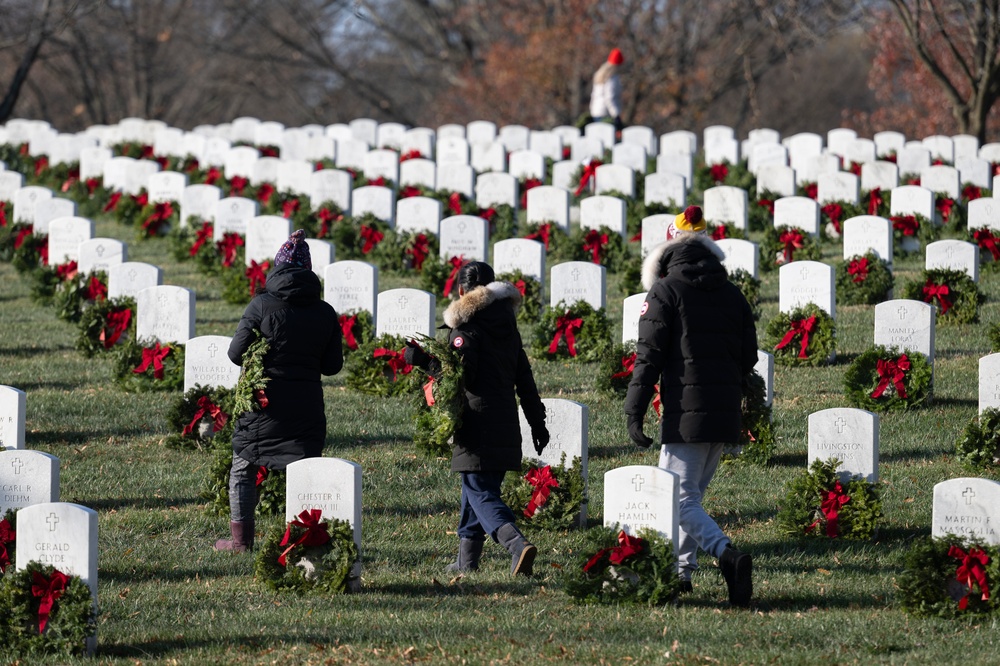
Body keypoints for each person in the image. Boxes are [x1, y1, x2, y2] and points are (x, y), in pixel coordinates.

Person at [623, 206, 758, 606]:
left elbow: (649, 357)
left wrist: (635, 409)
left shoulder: (666, 291)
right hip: (725, 411)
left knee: (675, 498)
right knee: (690, 498)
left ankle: (728, 556)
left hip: (686, 412)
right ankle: (682, 573)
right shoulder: (732, 293)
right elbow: (748, 355)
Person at [405, 261, 549, 576]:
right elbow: (525, 379)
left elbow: (461, 377)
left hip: (476, 421)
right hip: (506, 422)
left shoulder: (465, 328)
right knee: (474, 490)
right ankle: (467, 561)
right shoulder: (508, 325)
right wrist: (537, 422)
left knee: (480, 491)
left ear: (460, 291)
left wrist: (422, 361)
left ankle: (515, 544)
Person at [215, 229, 343, 552]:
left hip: (263, 406)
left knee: (244, 465)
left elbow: (234, 353)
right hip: (306, 410)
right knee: (307, 475)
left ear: (278, 267)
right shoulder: (325, 312)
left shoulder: (260, 306)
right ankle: (305, 539)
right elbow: (332, 366)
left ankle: (240, 542)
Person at [589, 47, 624, 133]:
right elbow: (610, 97)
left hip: (596, 111)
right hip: (606, 113)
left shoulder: (600, 75)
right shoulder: (612, 78)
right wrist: (616, 115)